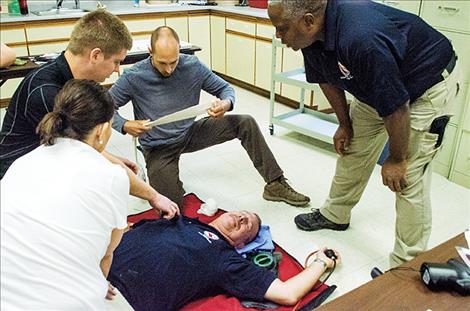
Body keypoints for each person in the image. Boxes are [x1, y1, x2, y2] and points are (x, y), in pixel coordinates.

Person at [268, 0, 460, 266]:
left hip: (425, 87)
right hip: (380, 87)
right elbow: (326, 79)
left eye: (281, 28)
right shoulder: (310, 37)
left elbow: (397, 106)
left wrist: (396, 158)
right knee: (353, 149)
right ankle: (336, 214)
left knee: (408, 177)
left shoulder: (361, 37)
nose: (278, 35)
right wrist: (344, 124)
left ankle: (408, 262)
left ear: (308, 21)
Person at [0, 10, 179, 217]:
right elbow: (87, 153)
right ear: (95, 55)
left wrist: (114, 159)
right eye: (116, 62)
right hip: (15, 185)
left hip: (41, 168)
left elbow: (82, 147)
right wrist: (153, 196)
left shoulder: (65, 79)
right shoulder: (48, 93)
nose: (116, 71)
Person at [110, 26, 310, 208]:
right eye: (163, 63)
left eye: (174, 61)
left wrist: (226, 103)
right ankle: (169, 179)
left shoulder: (192, 65)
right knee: (172, 208)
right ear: (150, 52)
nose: (169, 69)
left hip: (189, 133)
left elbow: (225, 89)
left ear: (180, 51)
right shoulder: (134, 76)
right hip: (158, 146)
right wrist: (125, 124)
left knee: (245, 122)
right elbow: (104, 108)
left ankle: (275, 183)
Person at [2, 80, 131, 309]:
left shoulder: (22, 163)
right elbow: (105, 255)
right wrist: (96, 283)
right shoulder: (112, 176)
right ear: (101, 130)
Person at [108, 210, 341, 311]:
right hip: (89, 268)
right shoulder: (179, 219)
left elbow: (287, 293)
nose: (240, 217)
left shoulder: (226, 259)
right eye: (241, 212)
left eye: (246, 224)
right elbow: (124, 232)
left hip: (119, 299)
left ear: (241, 243)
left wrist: (321, 263)